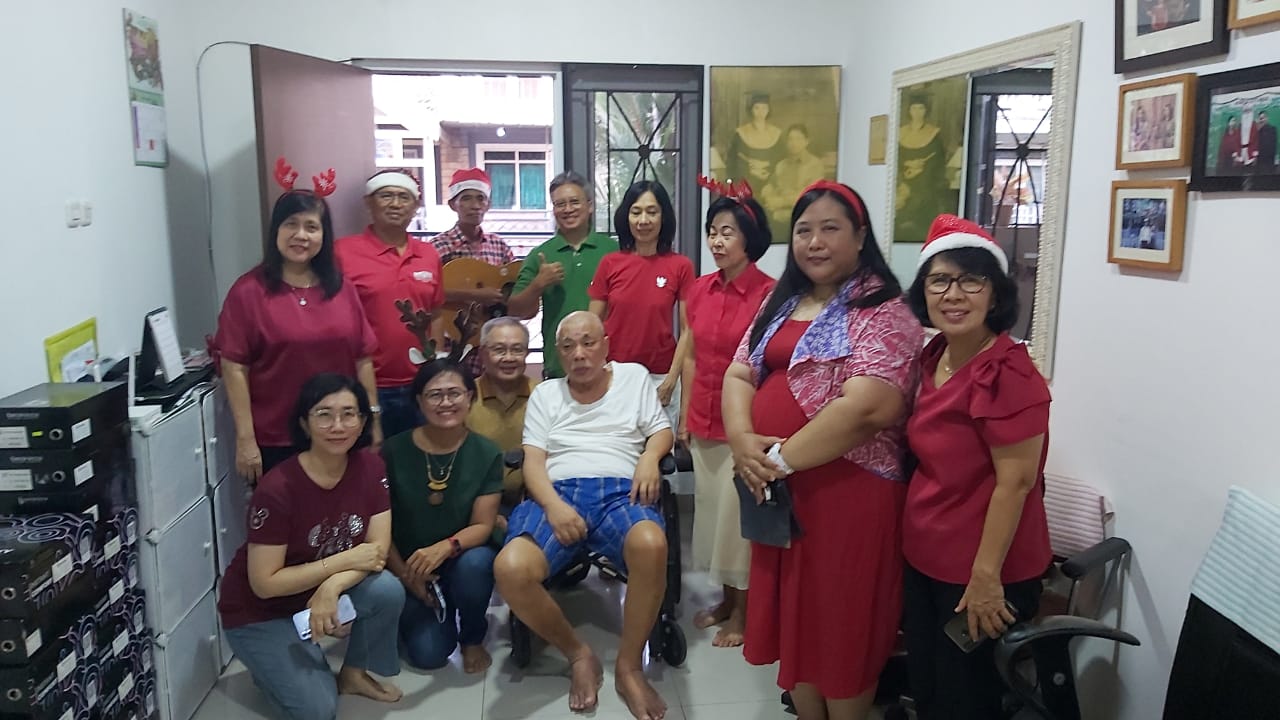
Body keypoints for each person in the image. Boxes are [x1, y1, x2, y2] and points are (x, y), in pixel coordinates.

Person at [722, 180, 923, 720]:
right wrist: (741, 439)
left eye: (830, 228)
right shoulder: (782, 301)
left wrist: (774, 461)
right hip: (781, 493)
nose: (814, 242)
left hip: (848, 494)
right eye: (804, 230)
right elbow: (739, 371)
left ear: (860, 236)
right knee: (799, 623)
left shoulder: (883, 309)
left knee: (841, 626)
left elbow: (869, 408)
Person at [901, 215, 1052, 720]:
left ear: (995, 292)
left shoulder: (1008, 373)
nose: (953, 294)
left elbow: (1017, 483)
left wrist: (986, 578)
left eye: (971, 280)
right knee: (927, 685)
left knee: (965, 699)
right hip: (925, 555)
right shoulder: (935, 355)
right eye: (940, 280)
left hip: (981, 573)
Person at [493, 311, 674, 720]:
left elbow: (661, 430)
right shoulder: (546, 394)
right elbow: (533, 462)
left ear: (606, 345)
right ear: (558, 353)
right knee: (510, 568)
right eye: (568, 346)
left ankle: (629, 667)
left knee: (651, 543)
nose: (579, 353)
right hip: (558, 492)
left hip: (621, 491)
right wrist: (554, 507)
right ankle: (578, 655)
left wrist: (649, 456)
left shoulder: (633, 378)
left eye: (588, 342)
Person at [217, 373, 403, 720]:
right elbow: (265, 584)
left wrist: (331, 587)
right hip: (260, 612)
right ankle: (271, 665)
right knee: (318, 711)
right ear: (304, 422)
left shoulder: (371, 467)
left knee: (386, 590)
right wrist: (343, 563)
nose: (338, 426)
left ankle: (353, 674)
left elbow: (376, 551)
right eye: (324, 415)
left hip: (314, 594)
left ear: (363, 421)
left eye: (349, 414)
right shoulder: (278, 488)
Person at [215, 187, 380, 482]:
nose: (301, 235)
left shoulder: (341, 288)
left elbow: (362, 359)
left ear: (324, 235)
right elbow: (234, 367)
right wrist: (245, 439)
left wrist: (373, 420)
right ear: (275, 231)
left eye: (311, 227)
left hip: (340, 433)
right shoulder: (248, 291)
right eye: (291, 224)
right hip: (276, 438)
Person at [679, 189, 775, 648]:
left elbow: (769, 365)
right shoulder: (700, 289)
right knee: (713, 515)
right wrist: (684, 414)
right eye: (712, 232)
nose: (716, 242)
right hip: (703, 419)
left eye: (728, 233)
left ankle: (744, 612)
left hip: (745, 426)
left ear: (749, 238)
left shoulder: (770, 293)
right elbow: (692, 355)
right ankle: (724, 599)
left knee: (740, 522)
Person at [383, 359, 502, 674]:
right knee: (430, 655)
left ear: (470, 397)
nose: (446, 403)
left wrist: (444, 548)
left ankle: (472, 637)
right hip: (409, 565)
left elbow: (483, 525)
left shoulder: (487, 452)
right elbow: (378, 527)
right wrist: (406, 575)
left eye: (455, 393)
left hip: (460, 557)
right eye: (435, 395)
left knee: (477, 565)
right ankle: (420, 611)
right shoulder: (392, 451)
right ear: (419, 401)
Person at [336, 169, 446, 440]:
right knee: (370, 461)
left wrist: (436, 370)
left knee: (421, 458)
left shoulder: (429, 254)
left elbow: (436, 313)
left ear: (415, 206)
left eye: (403, 197)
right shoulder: (342, 252)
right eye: (386, 196)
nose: (395, 204)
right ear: (368, 202)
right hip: (365, 386)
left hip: (421, 386)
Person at [588, 180, 694, 427]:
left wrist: (671, 379)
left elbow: (688, 329)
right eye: (636, 212)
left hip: (660, 375)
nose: (643, 220)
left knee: (660, 447)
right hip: (614, 373)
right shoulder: (610, 263)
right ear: (626, 216)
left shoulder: (681, 266)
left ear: (663, 217)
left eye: (652, 212)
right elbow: (592, 326)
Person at [508, 171, 619, 379]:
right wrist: (538, 284)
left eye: (574, 202)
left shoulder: (614, 251)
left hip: (611, 367)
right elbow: (515, 310)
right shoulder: (541, 255)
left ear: (590, 206)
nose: (568, 209)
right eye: (560, 204)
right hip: (559, 369)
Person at [431, 167, 516, 376]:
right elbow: (427, 293)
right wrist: (475, 295)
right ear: (453, 204)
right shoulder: (437, 247)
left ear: (488, 204)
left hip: (492, 342)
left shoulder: (499, 246)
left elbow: (514, 286)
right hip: (452, 342)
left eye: (481, 198)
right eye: (466, 198)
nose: (475, 205)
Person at [465, 317, 540, 528]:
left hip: (534, 500)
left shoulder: (543, 395)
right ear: (482, 353)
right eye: (499, 350)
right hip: (476, 504)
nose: (508, 358)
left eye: (517, 350)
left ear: (527, 353)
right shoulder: (464, 398)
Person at [896, 95, 952, 243]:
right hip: (903, 179)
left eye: (921, 108)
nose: (917, 112)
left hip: (926, 180)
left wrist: (921, 168)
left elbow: (938, 160)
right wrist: (907, 168)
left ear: (926, 110)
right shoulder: (900, 133)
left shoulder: (933, 134)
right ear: (909, 110)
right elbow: (895, 159)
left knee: (923, 199)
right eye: (914, 108)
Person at [761, 124, 827, 226]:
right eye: (790, 139)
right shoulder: (781, 165)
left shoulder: (815, 165)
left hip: (804, 214)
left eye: (798, 139)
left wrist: (781, 202)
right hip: (777, 212)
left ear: (807, 141)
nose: (794, 143)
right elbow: (770, 185)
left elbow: (810, 196)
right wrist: (768, 196)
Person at [727, 93, 783, 188]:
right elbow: (733, 160)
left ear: (768, 110)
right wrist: (751, 171)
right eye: (757, 108)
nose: (760, 112)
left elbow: (781, 158)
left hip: (770, 179)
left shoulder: (776, 133)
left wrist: (767, 165)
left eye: (764, 108)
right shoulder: (741, 133)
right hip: (746, 179)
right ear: (751, 110)